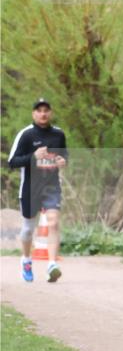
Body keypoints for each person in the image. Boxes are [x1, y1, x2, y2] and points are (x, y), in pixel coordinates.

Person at [7, 98, 68, 283]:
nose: (43, 114)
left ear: (51, 113)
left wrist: (63, 161)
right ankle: (26, 260)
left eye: (46, 110)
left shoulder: (59, 134)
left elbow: (64, 155)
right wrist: (33, 157)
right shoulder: (26, 135)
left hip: (52, 187)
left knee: (53, 222)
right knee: (27, 230)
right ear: (34, 113)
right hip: (30, 189)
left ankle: (52, 264)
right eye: (39, 110)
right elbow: (12, 162)